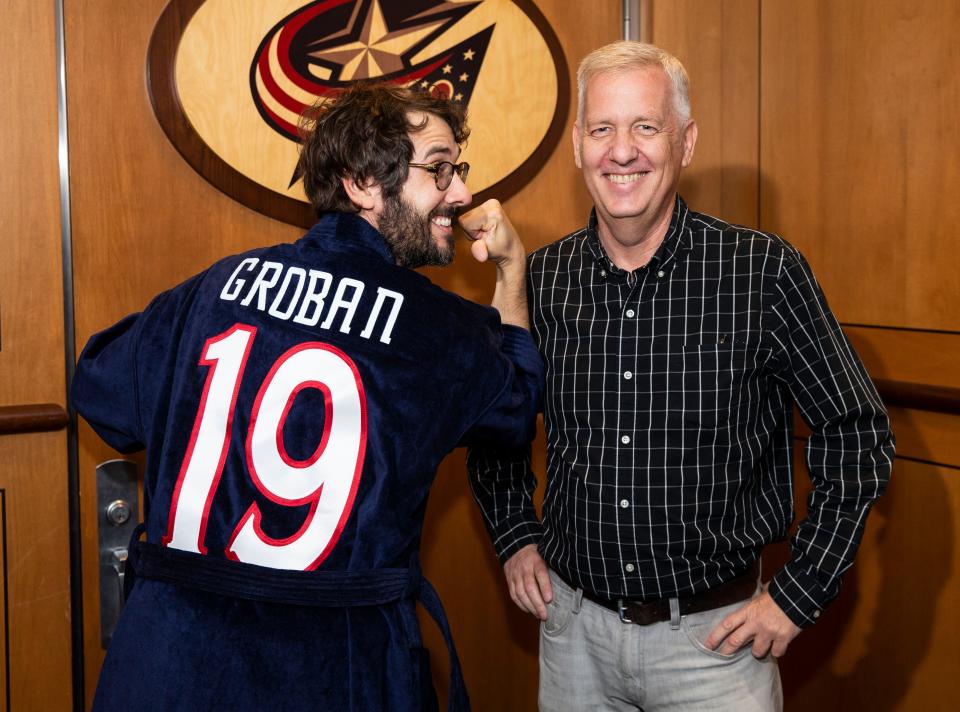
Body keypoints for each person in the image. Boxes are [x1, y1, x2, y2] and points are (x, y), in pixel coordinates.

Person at [72, 83, 542, 712]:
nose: (460, 193)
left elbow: (99, 384)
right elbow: (516, 405)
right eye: (438, 169)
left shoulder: (213, 286)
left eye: (458, 170)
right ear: (362, 183)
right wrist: (513, 273)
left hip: (165, 666)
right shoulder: (438, 328)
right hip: (333, 671)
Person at [468, 41, 894, 711]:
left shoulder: (762, 272)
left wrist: (801, 591)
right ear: (579, 146)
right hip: (573, 637)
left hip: (716, 650)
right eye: (601, 128)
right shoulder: (541, 279)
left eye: (646, 126)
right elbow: (497, 421)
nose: (621, 150)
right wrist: (515, 533)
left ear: (685, 141)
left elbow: (857, 435)